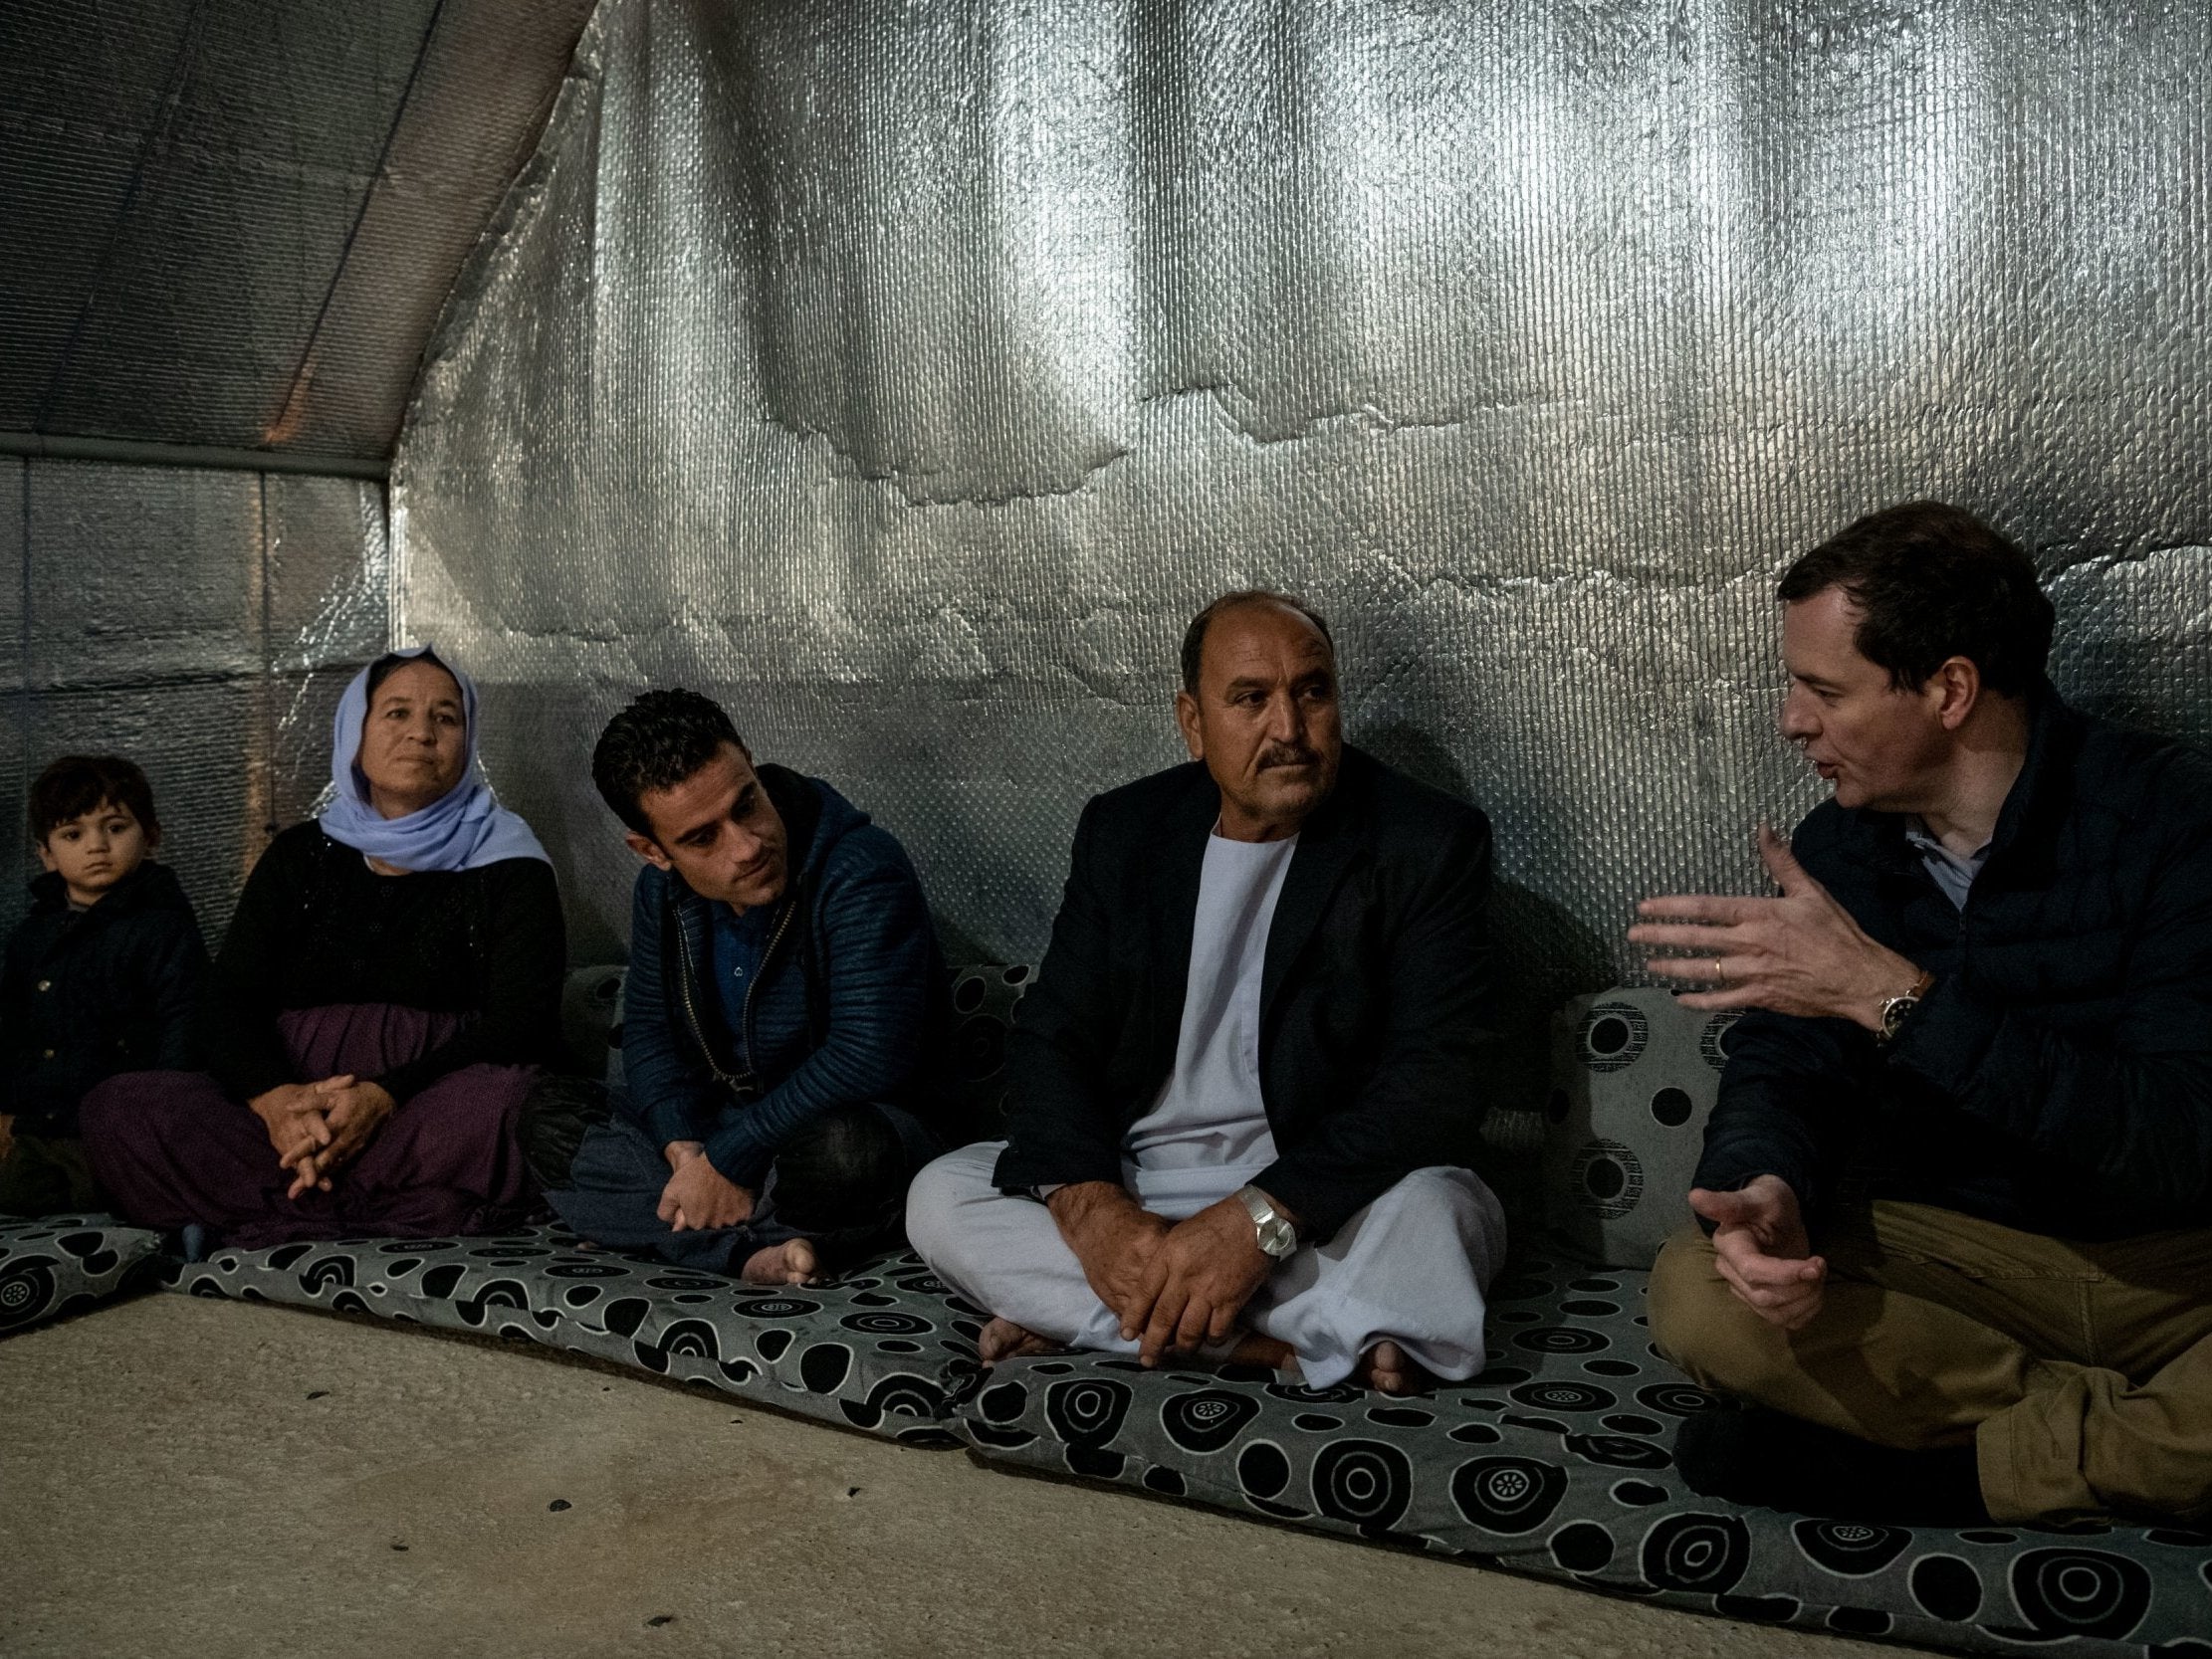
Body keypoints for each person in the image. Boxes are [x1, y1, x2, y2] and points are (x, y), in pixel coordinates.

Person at [1631, 501, 2212, 1526]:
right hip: (1951, 1260)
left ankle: (1924, 1475)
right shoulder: (1840, 847)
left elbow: (2179, 1133)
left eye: (1821, 689)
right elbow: (1781, 1064)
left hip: (2169, 1266)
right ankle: (2126, 1446)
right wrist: (1764, 1184)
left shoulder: (2171, 820)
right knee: (1693, 1293)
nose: (1789, 720)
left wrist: (1889, 996)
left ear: (1947, 688)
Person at [907, 591, 1506, 1394]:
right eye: (1251, 699)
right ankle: (1294, 1349)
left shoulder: (1424, 840)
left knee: (1439, 1215)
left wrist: (1259, 1225)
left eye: (1313, 692)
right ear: (1193, 723)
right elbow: (1053, 1040)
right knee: (941, 1194)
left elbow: (1438, 1078)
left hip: (1323, 1195)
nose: (1289, 729)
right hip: (1149, 1184)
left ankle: (1102, 1319)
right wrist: (1096, 1217)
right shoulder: (1126, 833)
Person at [83, 646, 565, 1248]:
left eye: (446, 717)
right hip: (286, 1110)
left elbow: (522, 1023)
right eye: (396, 713)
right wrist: (276, 1101)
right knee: (122, 1105)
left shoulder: (511, 862)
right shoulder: (298, 855)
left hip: (423, 1106)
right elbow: (228, 999)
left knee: (509, 1104)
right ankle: (392, 1213)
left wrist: (385, 1096)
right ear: (354, 733)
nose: (421, 732)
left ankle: (266, 1216)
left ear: (466, 741)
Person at [530, 689, 952, 1285]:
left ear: (750, 764)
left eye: (746, 803)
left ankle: (696, 1232)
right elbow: (648, 1034)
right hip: (725, 1131)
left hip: (836, 1128)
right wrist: (683, 1150)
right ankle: (756, 1255)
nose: (748, 846)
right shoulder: (660, 895)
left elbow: (869, 1054)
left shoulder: (860, 868)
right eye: (703, 838)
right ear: (652, 851)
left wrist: (728, 1160)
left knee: (848, 1154)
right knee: (548, 1119)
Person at [0, 756, 206, 1216]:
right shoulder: (30, 937)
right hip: (36, 1126)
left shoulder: (163, 928)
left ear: (151, 835)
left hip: (118, 1131)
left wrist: (162, 1118)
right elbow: (10, 1027)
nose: (97, 846)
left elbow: (183, 1024)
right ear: (47, 854)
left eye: (115, 828)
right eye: (73, 834)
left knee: (122, 1210)